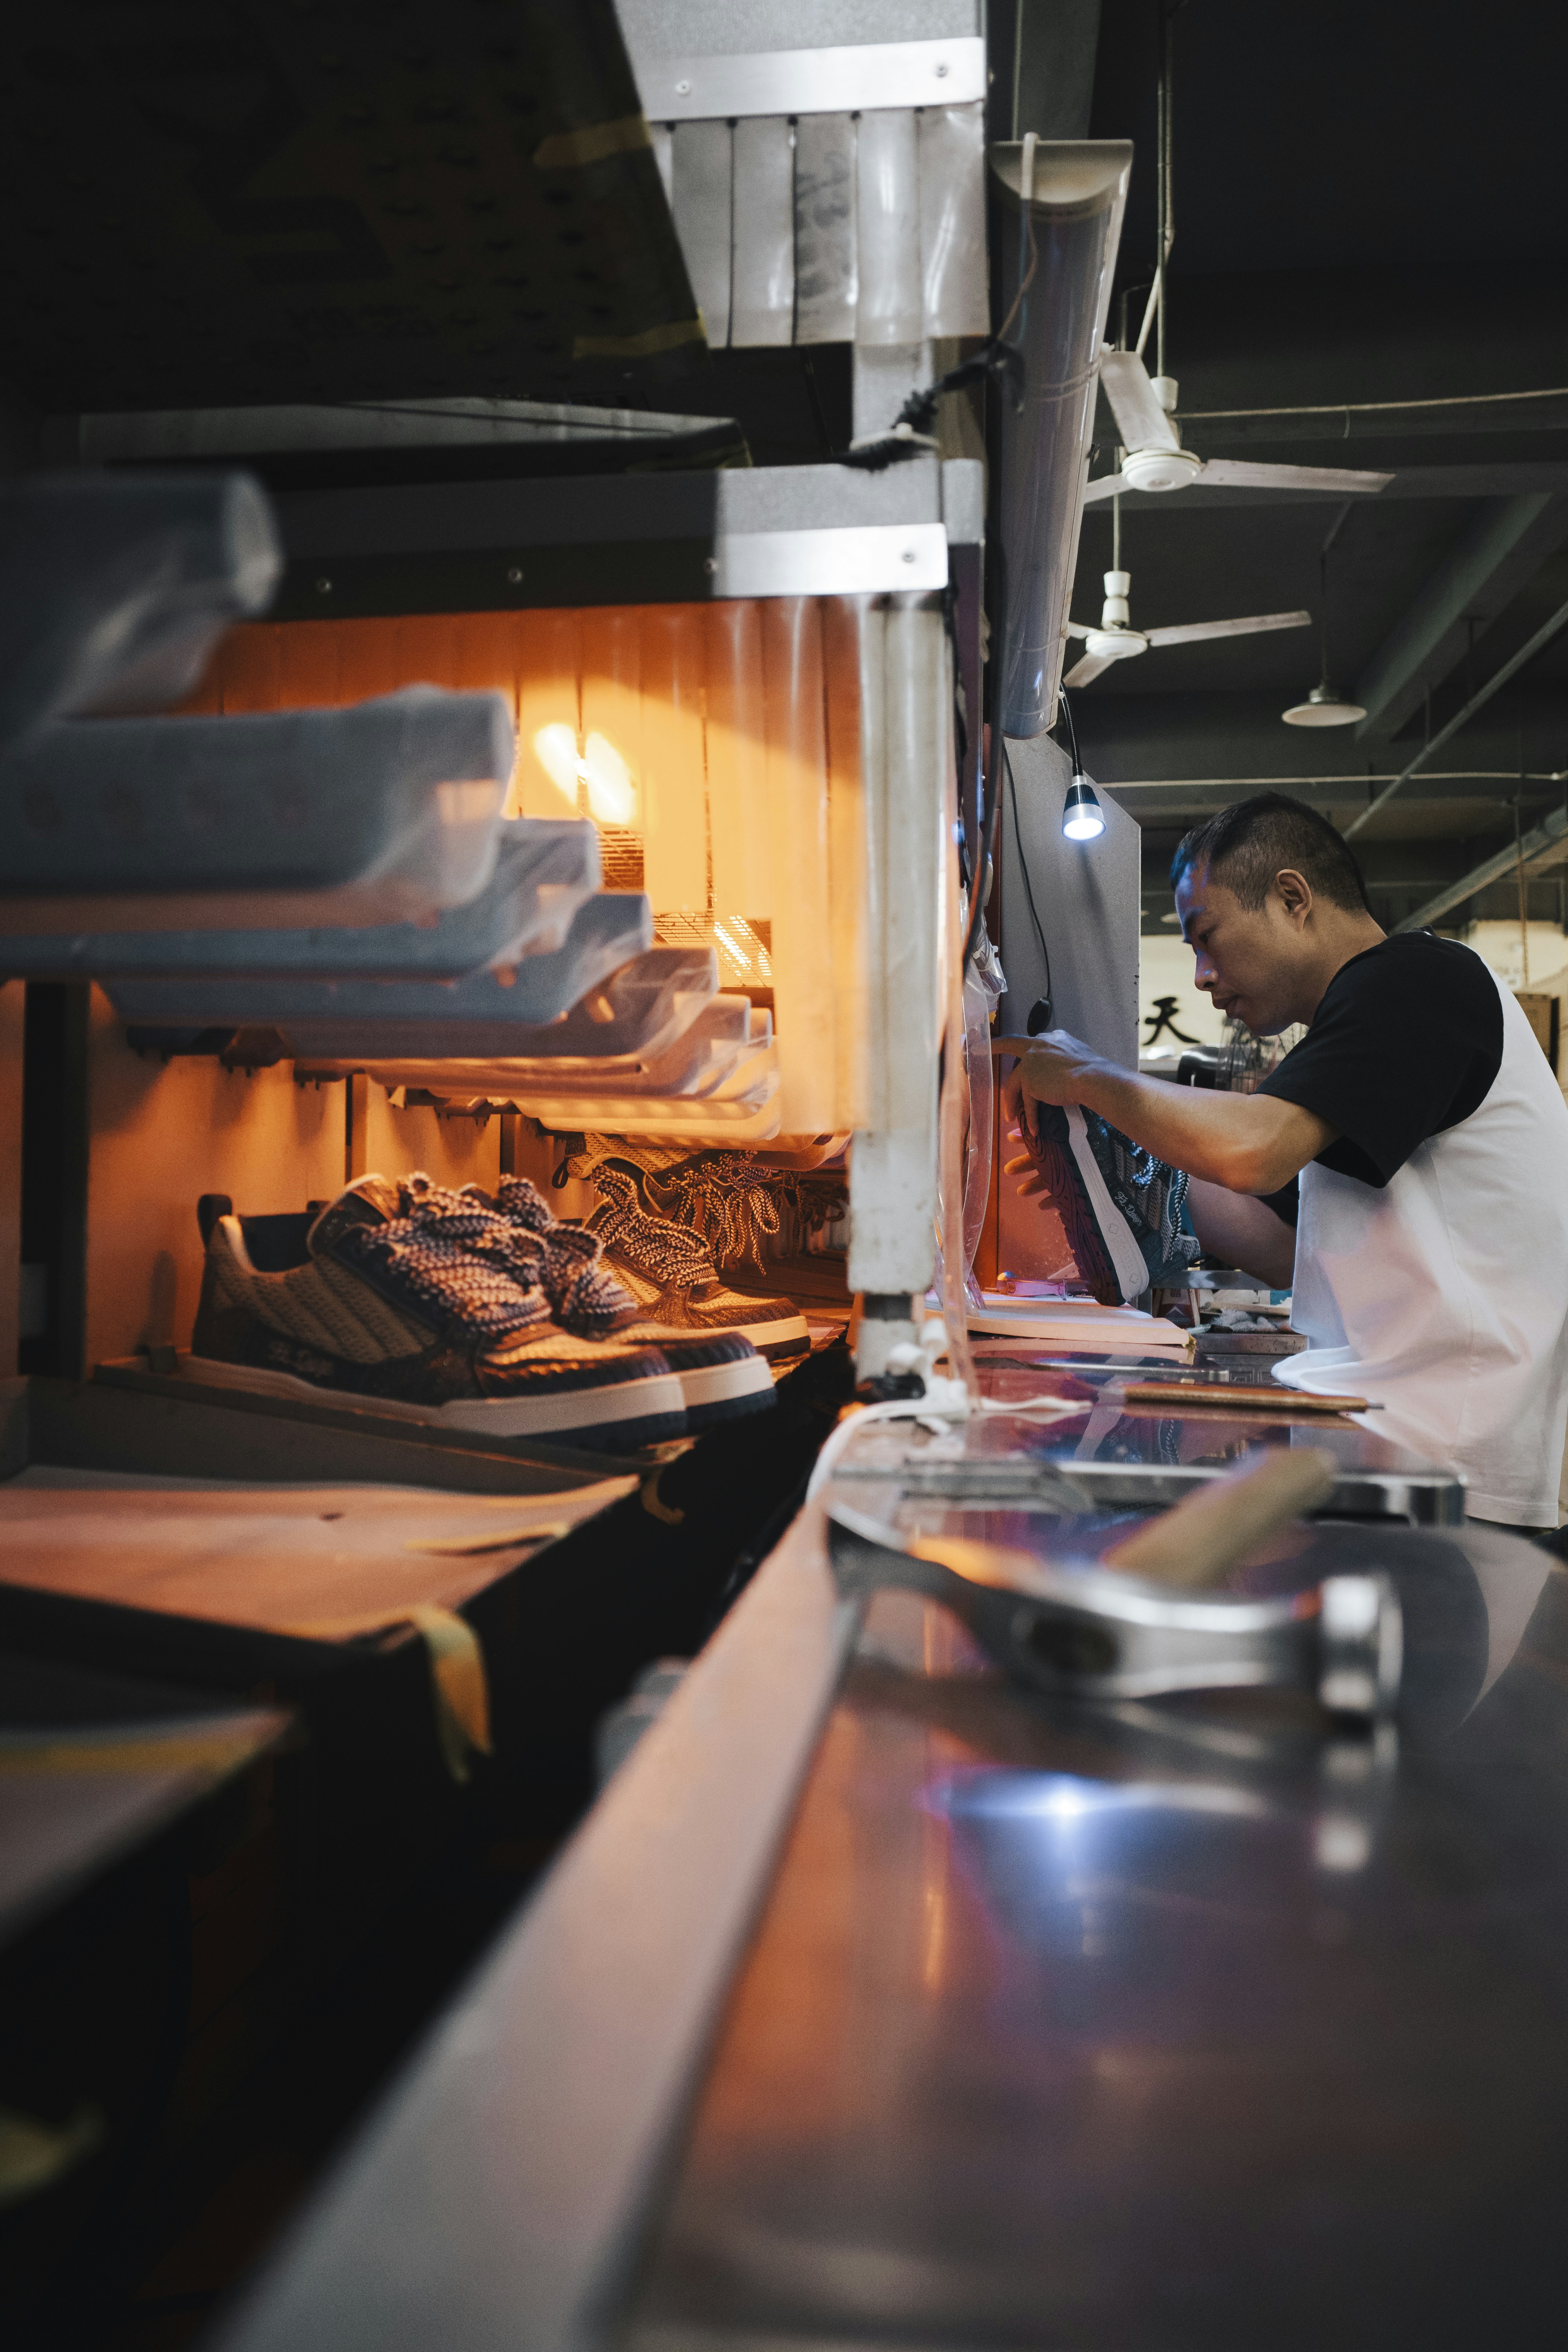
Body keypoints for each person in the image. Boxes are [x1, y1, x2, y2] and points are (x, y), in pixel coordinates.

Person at [998, 791, 1568, 1531]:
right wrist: (1108, 1174)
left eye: (1207, 938)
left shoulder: (1415, 979)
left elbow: (1252, 1153)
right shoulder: (1367, 1027)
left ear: (1291, 897)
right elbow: (1276, 1246)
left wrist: (1088, 1077)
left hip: (1441, 1454)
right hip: (1393, 1439)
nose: (1201, 975)